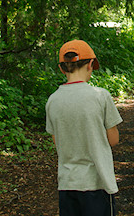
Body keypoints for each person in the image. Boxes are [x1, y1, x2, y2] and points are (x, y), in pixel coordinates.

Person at [46, 39, 123, 216]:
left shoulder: (53, 101)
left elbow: (57, 141)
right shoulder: (100, 96)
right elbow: (113, 140)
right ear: (90, 65)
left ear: (61, 68)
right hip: (97, 182)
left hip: (67, 184)